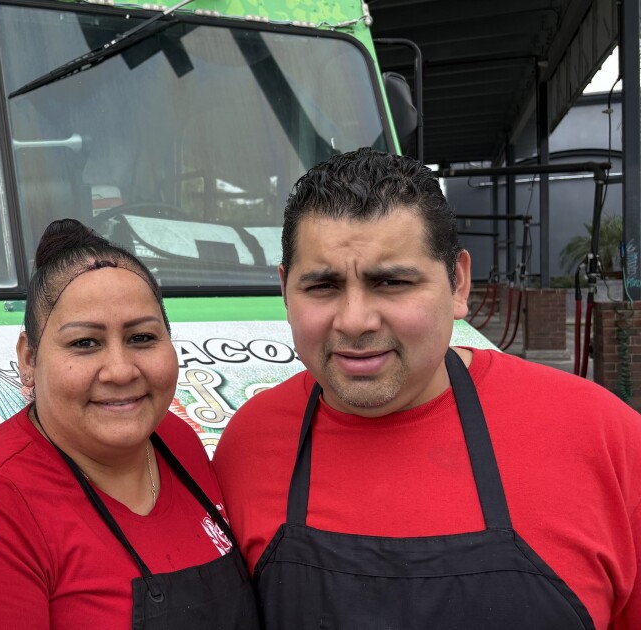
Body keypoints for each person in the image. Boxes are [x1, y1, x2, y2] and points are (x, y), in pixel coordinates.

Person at [213, 147, 641, 629]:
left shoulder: (605, 439)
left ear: (458, 283)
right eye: (322, 287)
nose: (354, 321)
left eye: (392, 282)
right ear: (285, 291)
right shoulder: (246, 447)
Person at [0, 219, 259, 629]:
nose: (121, 371)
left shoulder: (177, 443)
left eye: (142, 337)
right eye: (84, 343)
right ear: (29, 360)